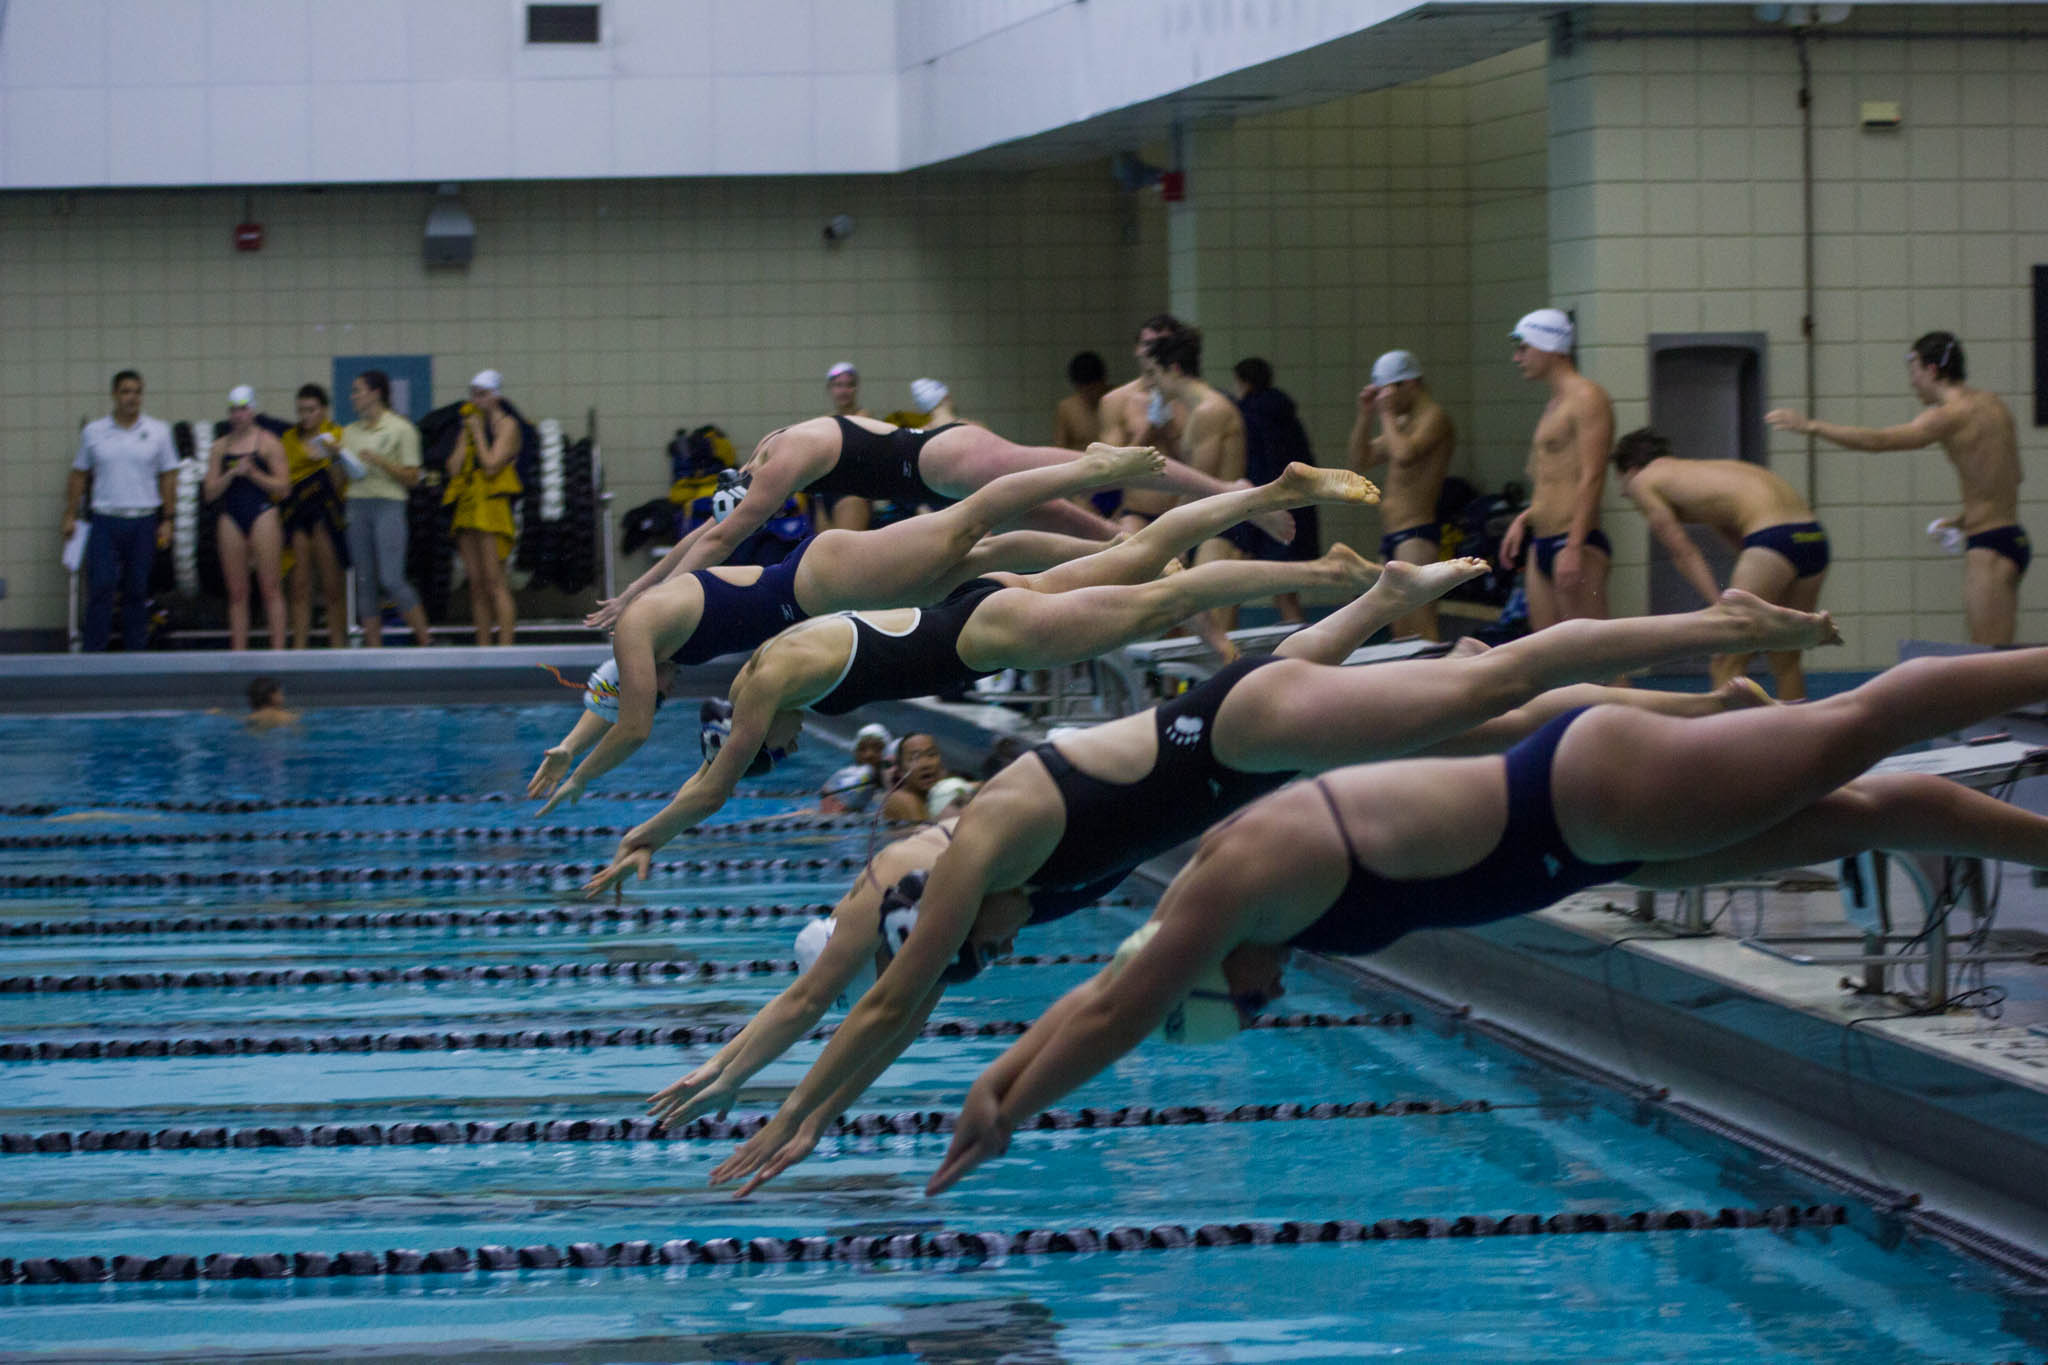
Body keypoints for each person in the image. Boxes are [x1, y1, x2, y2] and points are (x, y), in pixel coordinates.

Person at [699, 584, 1836, 1194]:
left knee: (1494, 675)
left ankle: (1722, 623)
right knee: (1498, 719)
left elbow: (889, 1001)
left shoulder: (983, 840)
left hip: (1236, 728)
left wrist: (804, 1118)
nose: (995, 949)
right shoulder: (1006, 890)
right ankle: (1708, 712)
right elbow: (1016, 999)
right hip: (1252, 743)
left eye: (977, 947)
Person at [926, 643, 2048, 1191]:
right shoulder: (1233, 920)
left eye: (1251, 1004)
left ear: (1223, 973)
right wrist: (998, 1078)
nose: (1271, 1000)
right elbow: (1108, 990)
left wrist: (1015, 1113)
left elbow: (1122, 1004)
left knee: (1860, 727)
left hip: (1594, 796)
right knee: (1864, 813)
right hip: (1598, 826)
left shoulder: (1237, 881)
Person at [554, 465, 1384, 870]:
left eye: (774, 742)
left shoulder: (766, 688)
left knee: (1158, 601)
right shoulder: (761, 666)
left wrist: (641, 837)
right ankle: (1265, 493)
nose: (791, 738)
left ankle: (1323, 576)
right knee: (1141, 555)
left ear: (754, 727)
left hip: (988, 635)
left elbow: (711, 786)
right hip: (970, 608)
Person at [534, 443, 1183, 807]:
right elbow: (613, 693)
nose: (661, 686)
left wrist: (585, 777)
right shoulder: (650, 628)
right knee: (981, 558)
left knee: (968, 524)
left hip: (818, 579)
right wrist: (568, 745)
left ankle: (1092, 468)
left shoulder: (639, 630)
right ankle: (1125, 558)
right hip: (822, 592)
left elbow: (632, 720)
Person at [589, 397, 1293, 630]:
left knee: (1113, 464)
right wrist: (636, 591)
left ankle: (1235, 494)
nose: (751, 508)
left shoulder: (773, 469)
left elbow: (717, 538)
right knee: (1089, 525)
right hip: (944, 472)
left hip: (953, 462)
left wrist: (639, 594)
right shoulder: (770, 448)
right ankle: (1169, 543)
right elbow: (716, 529)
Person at [1767, 331, 2026, 646]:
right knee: (1998, 655)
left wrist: (1811, 426)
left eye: (1913, 371)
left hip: (1989, 548)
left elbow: (1881, 441)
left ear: (1931, 370)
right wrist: (1962, 519)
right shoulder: (1994, 404)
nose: (1912, 382)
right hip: (2013, 538)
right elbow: (2011, 477)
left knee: (1988, 661)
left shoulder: (1948, 416)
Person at [1612, 428, 1830, 699]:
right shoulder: (1698, 473)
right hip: (1812, 537)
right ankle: (1801, 740)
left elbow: (1683, 552)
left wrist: (1720, 607)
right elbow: (1732, 531)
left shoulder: (1642, 482)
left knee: (1726, 662)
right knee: (1786, 657)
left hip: (1773, 539)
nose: (1625, 493)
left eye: (1621, 483)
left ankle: (1726, 741)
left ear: (1631, 469)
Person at [1499, 309, 1614, 630]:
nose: (1516, 358)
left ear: (1548, 346)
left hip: (1575, 541)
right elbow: (1552, 478)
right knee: (1548, 658)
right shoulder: (1554, 404)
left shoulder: (1588, 397)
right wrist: (1525, 518)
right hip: (1543, 543)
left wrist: (1575, 546)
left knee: (1595, 656)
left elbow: (1593, 475)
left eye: (1523, 348)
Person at [63, 370, 180, 652]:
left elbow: (168, 476)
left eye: (137, 391)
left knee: (138, 591)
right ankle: (93, 656)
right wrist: (69, 514)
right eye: (126, 391)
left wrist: (168, 519)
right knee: (101, 587)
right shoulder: (95, 432)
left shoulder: (158, 432)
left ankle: (135, 657)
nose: (132, 398)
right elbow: (79, 474)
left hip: (144, 521)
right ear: (114, 395)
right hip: (105, 520)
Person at [1347, 350, 1456, 640]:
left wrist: (1384, 414)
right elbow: (1361, 459)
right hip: (1394, 536)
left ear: (1409, 384)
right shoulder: (1403, 422)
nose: (1386, 399)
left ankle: (1437, 684)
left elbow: (1404, 454)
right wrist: (1365, 414)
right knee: (1400, 633)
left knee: (1421, 628)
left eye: (1388, 391)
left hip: (1417, 536)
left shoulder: (1434, 417)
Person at [337, 370, 433, 648]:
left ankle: (426, 640)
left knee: (391, 578)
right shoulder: (349, 432)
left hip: (388, 505)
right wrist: (333, 458)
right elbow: (342, 480)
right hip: (357, 505)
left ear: (376, 393)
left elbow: (413, 478)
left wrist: (380, 461)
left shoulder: (401, 429)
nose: (353, 396)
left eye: (357, 390)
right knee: (364, 581)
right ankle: (373, 649)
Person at [1231, 357, 1321, 625]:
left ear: (1244, 382)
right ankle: (1296, 638)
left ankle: (1297, 646)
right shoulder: (1287, 415)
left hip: (1268, 505)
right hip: (1296, 503)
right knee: (1284, 588)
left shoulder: (1248, 416)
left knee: (1263, 586)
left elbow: (1257, 466)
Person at [202, 386, 291, 652]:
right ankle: (238, 655)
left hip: (262, 512)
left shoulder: (268, 443)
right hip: (231, 516)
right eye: (233, 410)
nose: (237, 415)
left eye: (242, 409)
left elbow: (284, 489)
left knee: (270, 589)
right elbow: (209, 493)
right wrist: (231, 475)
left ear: (252, 411)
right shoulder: (219, 447)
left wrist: (253, 473)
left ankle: (278, 654)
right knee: (237, 594)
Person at [444, 370, 523, 646]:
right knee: (475, 584)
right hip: (468, 506)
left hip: (492, 508)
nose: (476, 400)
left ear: (496, 396)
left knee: (494, 581)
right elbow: (453, 469)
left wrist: (478, 433)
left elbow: (491, 465)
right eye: (473, 394)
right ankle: (483, 645)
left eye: (482, 394)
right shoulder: (468, 427)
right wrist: (465, 437)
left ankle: (505, 646)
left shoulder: (508, 425)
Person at [278, 383, 349, 650]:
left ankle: (338, 647)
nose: (305, 416)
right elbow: (283, 483)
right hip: (297, 514)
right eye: (301, 411)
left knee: (332, 585)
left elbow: (342, 480)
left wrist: (333, 458)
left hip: (327, 513)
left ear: (324, 410)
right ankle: (298, 648)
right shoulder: (288, 440)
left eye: (311, 410)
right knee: (299, 585)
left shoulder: (337, 436)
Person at [819, 361, 874, 530]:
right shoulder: (826, 420)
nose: (844, 390)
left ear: (856, 388)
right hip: (825, 493)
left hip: (852, 493)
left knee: (845, 553)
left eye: (849, 385)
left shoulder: (865, 419)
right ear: (830, 388)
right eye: (838, 385)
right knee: (822, 552)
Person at [819, 722, 892, 814]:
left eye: (877, 748)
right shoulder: (845, 779)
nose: (869, 755)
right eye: (862, 749)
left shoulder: (891, 791)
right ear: (855, 753)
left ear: (888, 754)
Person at [881, 732, 946, 822]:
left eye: (931, 754)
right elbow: (928, 833)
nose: (925, 764)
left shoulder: (942, 790)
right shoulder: (902, 799)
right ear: (901, 771)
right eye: (914, 758)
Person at [1054, 352, 1110, 452]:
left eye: (1093, 389)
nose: (1088, 394)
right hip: (1081, 463)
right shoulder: (1067, 408)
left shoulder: (1119, 400)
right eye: (1082, 389)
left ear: (1103, 382)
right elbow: (1060, 448)